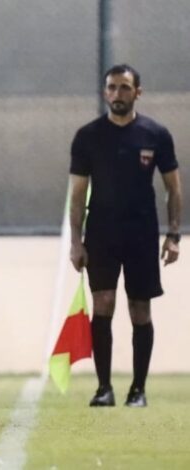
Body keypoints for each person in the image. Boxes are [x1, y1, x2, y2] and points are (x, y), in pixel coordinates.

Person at [69, 64, 182, 408]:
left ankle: (139, 389)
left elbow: (173, 189)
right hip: (101, 232)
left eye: (124, 88)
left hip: (141, 234)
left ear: (138, 92)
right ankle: (104, 388)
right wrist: (76, 241)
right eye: (112, 88)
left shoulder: (155, 134)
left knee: (140, 310)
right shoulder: (88, 136)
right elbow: (77, 194)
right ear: (105, 93)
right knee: (103, 304)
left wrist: (174, 234)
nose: (117, 94)